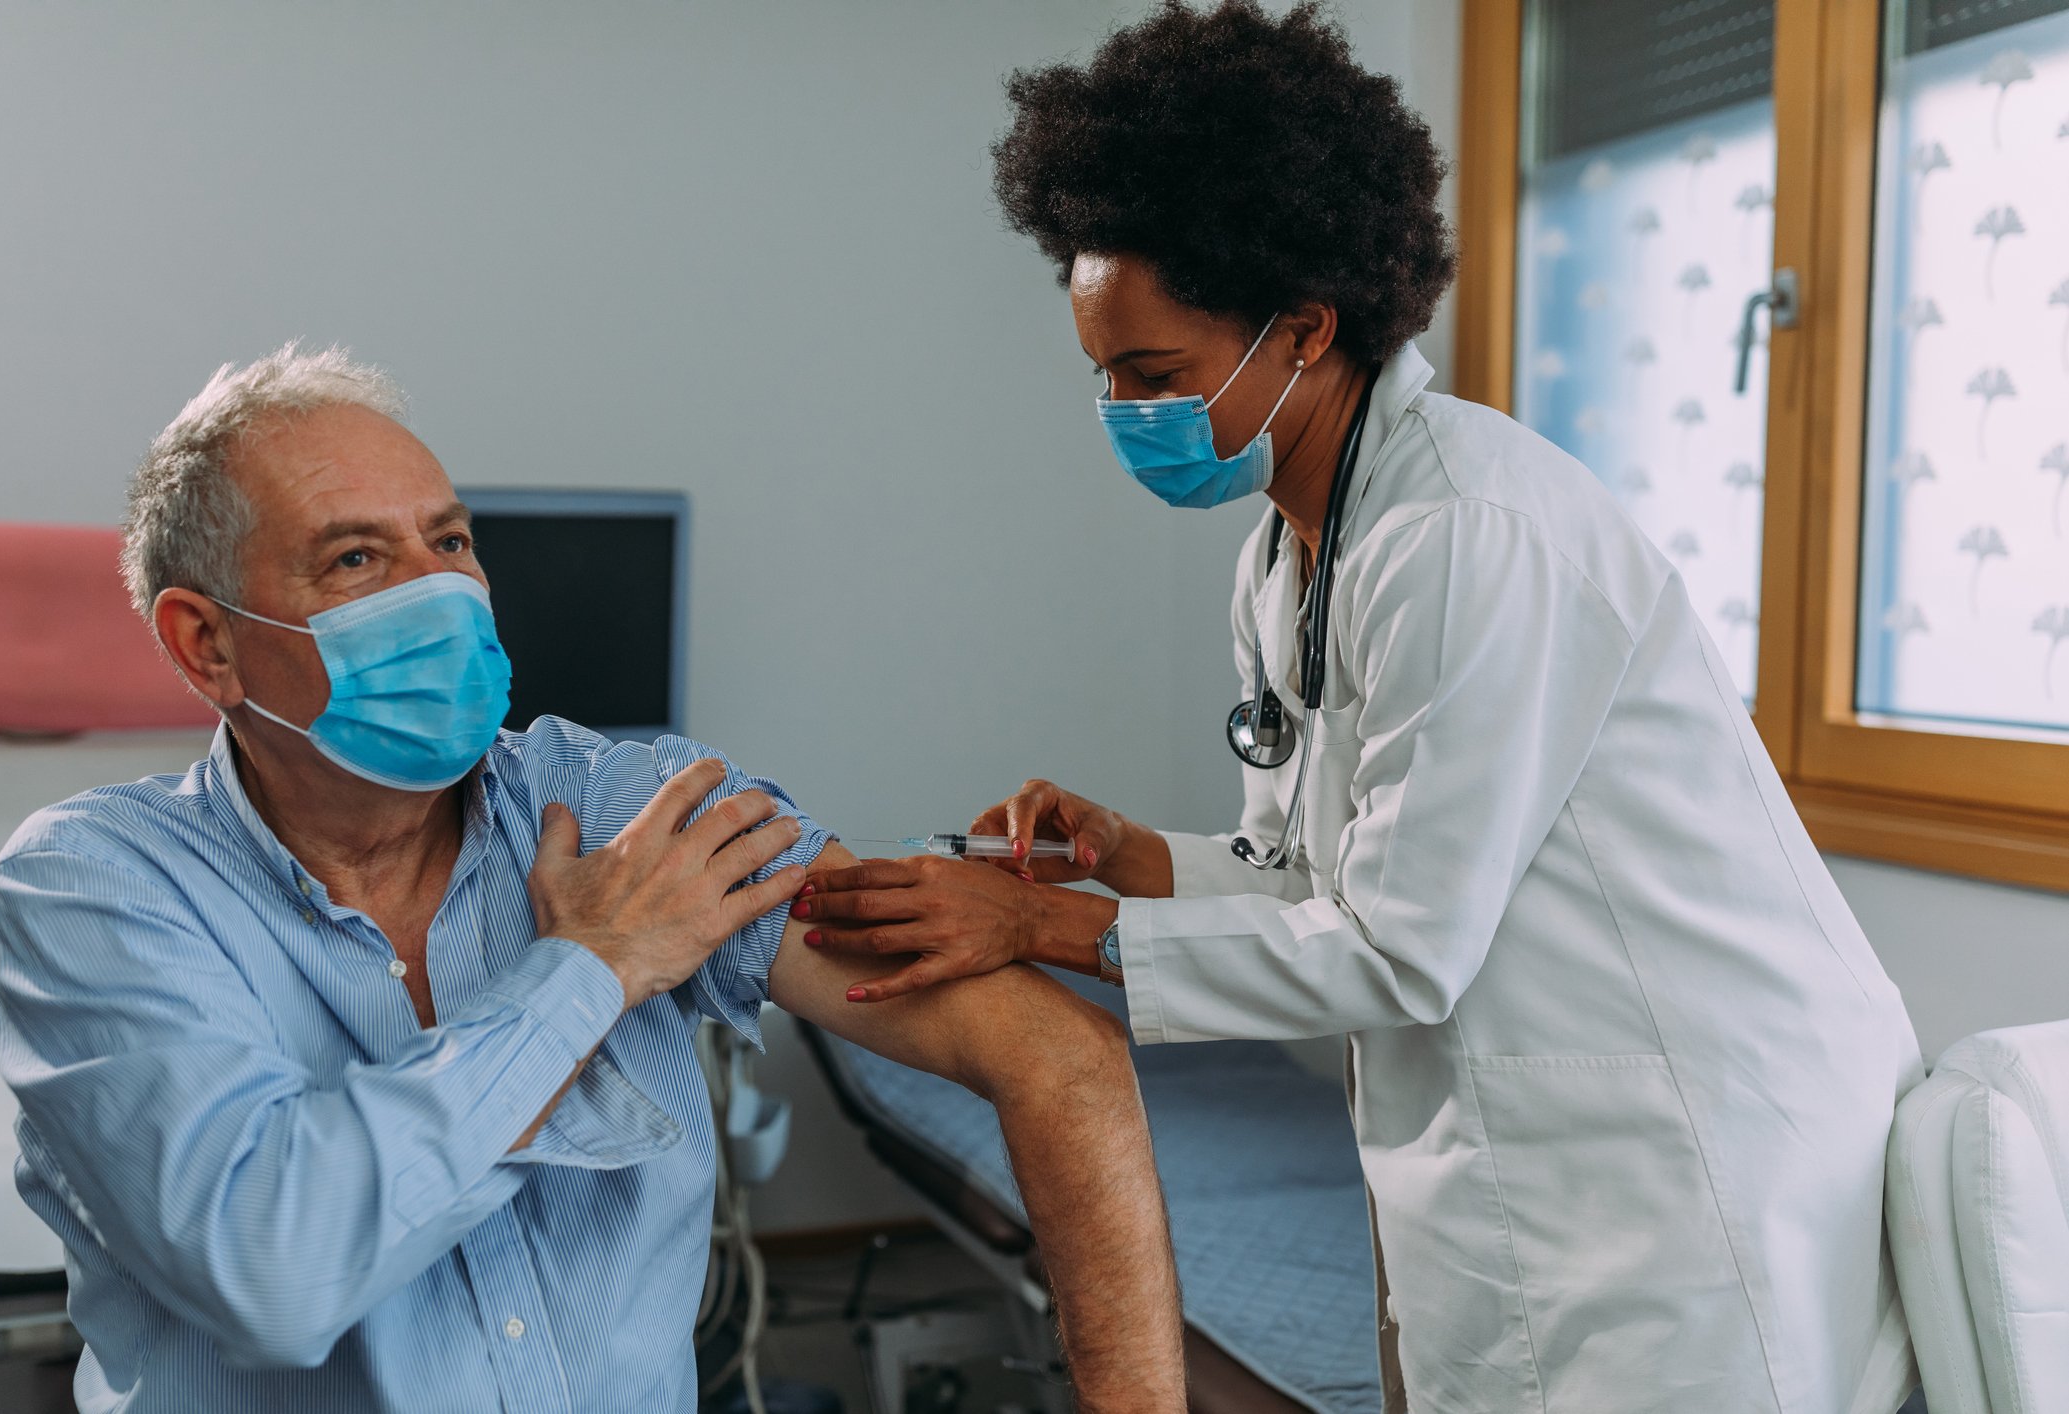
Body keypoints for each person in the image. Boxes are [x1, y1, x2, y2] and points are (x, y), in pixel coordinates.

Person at [799, 4, 1926, 1411]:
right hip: (1524, 1167)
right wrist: (1123, 856)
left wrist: (1037, 928)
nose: (1122, 410)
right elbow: (1311, 876)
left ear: (1304, 329)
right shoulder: (1291, 552)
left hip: (1682, 1167)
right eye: (1103, 374)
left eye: (1154, 374)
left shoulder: (1465, 534)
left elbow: (1397, 947)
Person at [0, 344, 1185, 1412]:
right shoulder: (96, 886)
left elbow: (1057, 1058)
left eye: (450, 542)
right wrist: (590, 970)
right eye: (356, 557)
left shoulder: (624, 810)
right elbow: (275, 1273)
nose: (438, 591)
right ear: (207, 644)